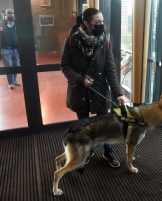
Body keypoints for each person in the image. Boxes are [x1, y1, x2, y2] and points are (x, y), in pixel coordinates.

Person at [60, 8, 124, 168]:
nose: (102, 25)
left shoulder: (105, 41)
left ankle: (107, 151)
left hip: (100, 91)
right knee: (84, 125)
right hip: (79, 91)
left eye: (102, 22)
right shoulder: (71, 40)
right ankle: (87, 151)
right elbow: (65, 66)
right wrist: (80, 79)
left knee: (105, 125)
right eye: (98, 23)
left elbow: (110, 69)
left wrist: (118, 93)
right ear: (86, 23)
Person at [0, 9, 21, 89]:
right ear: (5, 15)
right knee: (9, 66)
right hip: (5, 48)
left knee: (16, 65)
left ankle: (14, 80)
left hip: (15, 48)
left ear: (14, 15)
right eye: (9, 14)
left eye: (12, 14)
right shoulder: (0, 22)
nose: (10, 15)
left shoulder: (17, 23)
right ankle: (10, 83)